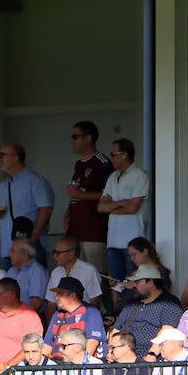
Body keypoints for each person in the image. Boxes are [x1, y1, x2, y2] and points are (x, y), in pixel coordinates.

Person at [0, 141, 53, 267]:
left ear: (16, 157)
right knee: (8, 286)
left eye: (2, 155)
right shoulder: (2, 186)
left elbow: (46, 209)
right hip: (7, 250)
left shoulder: (36, 181)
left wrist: (33, 239)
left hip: (30, 248)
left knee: (34, 285)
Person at [97, 139, 150, 282]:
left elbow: (133, 207)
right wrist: (121, 203)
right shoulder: (112, 177)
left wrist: (112, 206)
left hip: (133, 241)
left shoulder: (140, 175)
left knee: (135, 283)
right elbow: (101, 207)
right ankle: (117, 306)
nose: (110, 158)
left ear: (124, 155)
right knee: (115, 283)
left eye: (113, 154)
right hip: (113, 241)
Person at [63, 121, 113, 265]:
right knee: (78, 276)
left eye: (75, 136)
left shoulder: (102, 163)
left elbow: (109, 196)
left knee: (97, 275)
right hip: (76, 230)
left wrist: (81, 195)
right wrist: (68, 214)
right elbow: (76, 193)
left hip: (94, 231)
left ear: (88, 138)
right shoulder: (78, 164)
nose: (71, 140)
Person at [113, 265, 184, 353]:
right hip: (122, 353)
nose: (134, 285)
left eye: (138, 281)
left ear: (150, 282)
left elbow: (166, 333)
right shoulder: (132, 303)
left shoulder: (169, 303)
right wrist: (111, 350)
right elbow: (116, 329)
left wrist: (151, 355)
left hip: (148, 357)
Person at [0, 278, 43, 368]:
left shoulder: (29, 316)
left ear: (12, 295)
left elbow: (32, 348)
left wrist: (8, 366)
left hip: (18, 372)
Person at [43, 236, 104, 318]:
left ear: (71, 254)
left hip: (84, 318)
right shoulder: (55, 272)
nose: (54, 256)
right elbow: (50, 305)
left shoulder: (89, 270)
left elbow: (95, 304)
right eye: (54, 252)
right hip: (61, 320)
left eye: (58, 253)